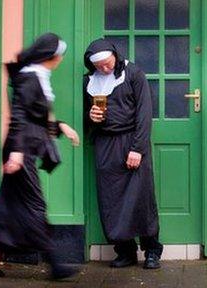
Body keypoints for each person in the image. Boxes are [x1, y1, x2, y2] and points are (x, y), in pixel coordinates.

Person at [0, 33, 80, 279]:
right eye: (60, 54)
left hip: (22, 148)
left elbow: (36, 117)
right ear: (51, 56)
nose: (61, 59)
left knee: (6, 205)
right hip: (21, 151)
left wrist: (61, 127)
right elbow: (19, 116)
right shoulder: (31, 77)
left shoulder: (38, 75)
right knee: (34, 205)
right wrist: (17, 153)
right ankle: (56, 265)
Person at [84, 38, 163, 269]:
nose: (105, 69)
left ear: (116, 56)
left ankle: (152, 251)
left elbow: (144, 114)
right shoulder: (88, 82)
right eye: (100, 66)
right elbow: (84, 117)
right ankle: (125, 251)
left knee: (142, 199)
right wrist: (91, 118)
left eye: (108, 64)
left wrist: (137, 149)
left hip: (132, 140)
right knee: (112, 200)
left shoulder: (134, 74)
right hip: (105, 144)